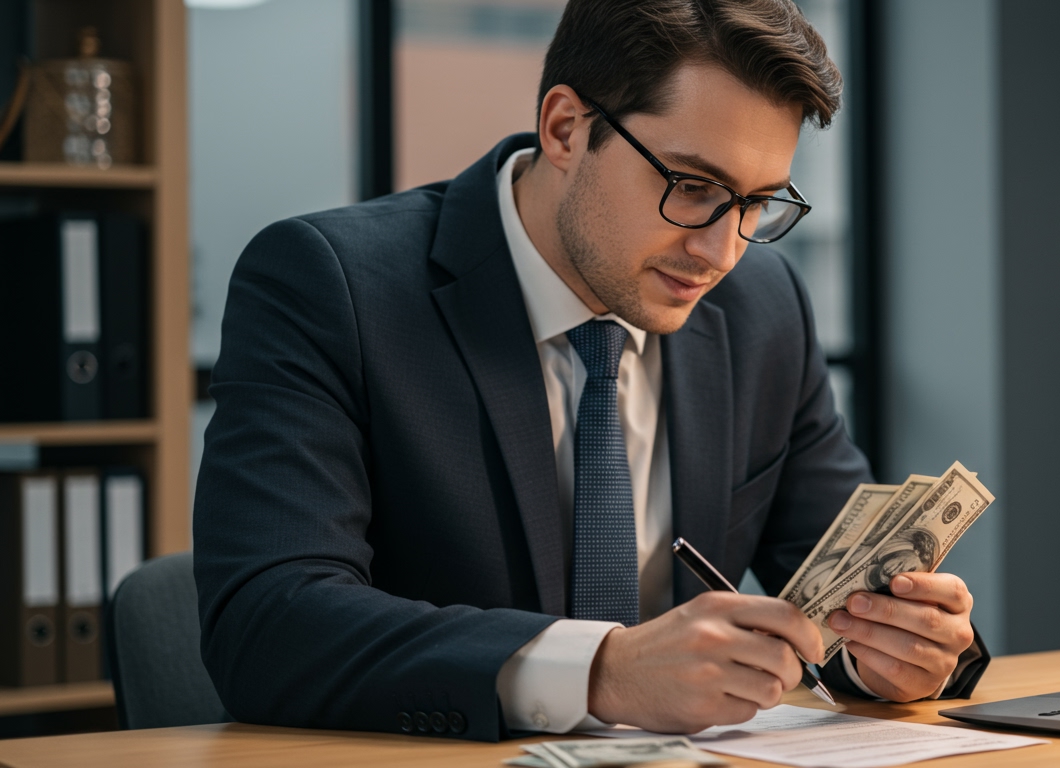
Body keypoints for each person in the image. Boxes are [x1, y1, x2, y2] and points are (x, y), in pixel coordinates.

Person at [193, 0, 985, 743]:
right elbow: (266, 624)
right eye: (692, 186)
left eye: (757, 203)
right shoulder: (329, 284)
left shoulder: (763, 308)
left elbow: (841, 584)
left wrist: (892, 653)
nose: (722, 251)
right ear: (566, 129)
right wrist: (601, 671)